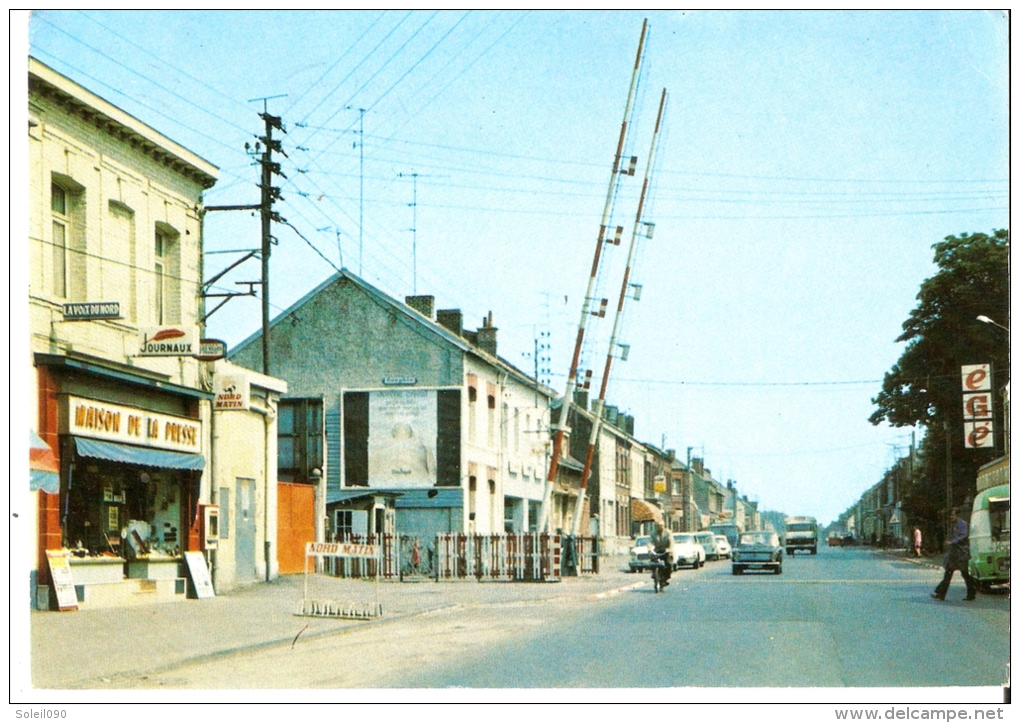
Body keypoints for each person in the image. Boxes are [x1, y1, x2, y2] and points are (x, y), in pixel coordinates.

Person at [931, 508, 976, 601]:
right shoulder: (953, 525)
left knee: (965, 574)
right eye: (951, 515)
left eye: (953, 515)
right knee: (948, 573)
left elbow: (964, 535)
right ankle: (940, 593)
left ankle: (971, 594)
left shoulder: (962, 524)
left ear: (957, 516)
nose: (951, 517)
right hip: (954, 554)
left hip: (962, 553)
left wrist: (952, 542)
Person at [650, 522, 673, 587]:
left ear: (664, 526)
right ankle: (654, 573)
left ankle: (665, 579)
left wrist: (670, 549)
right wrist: (650, 548)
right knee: (652, 561)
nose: (659, 527)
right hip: (657, 550)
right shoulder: (653, 533)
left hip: (665, 550)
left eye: (661, 525)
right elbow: (650, 541)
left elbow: (671, 541)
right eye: (658, 526)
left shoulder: (668, 533)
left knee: (668, 564)